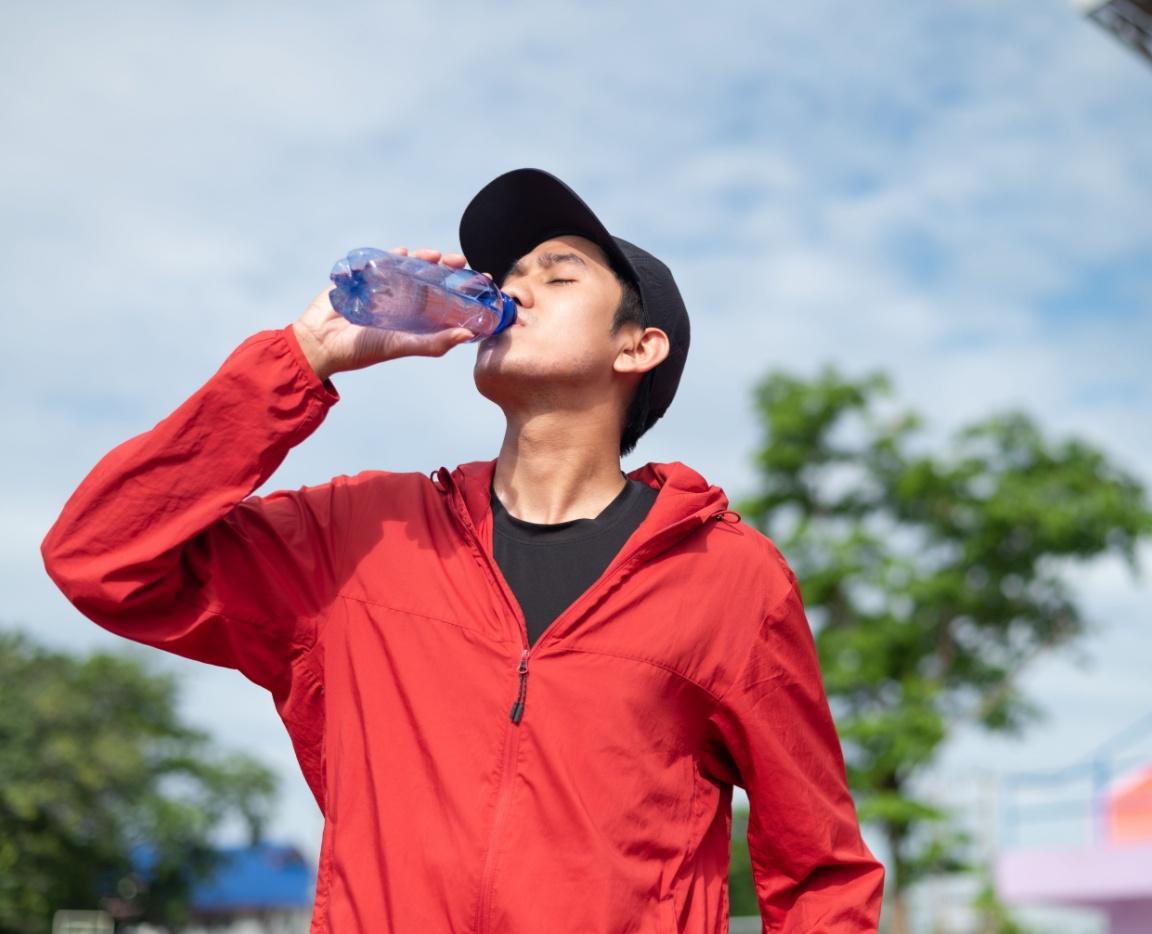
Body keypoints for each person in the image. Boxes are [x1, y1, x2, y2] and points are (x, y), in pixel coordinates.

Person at [40, 168, 885, 932]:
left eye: (558, 274)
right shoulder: (360, 534)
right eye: (510, 277)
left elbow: (821, 876)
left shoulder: (729, 579)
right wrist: (300, 361)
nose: (518, 287)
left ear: (638, 346)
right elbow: (100, 555)